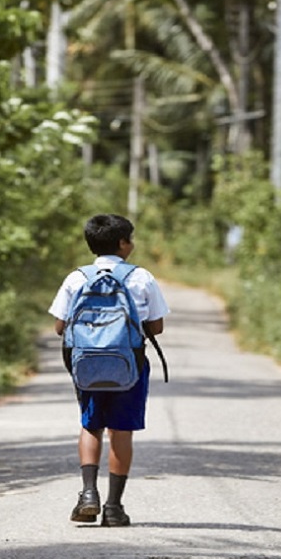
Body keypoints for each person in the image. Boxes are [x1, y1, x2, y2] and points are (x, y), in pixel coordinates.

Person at [48, 214, 169, 527]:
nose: (133, 244)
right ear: (122, 244)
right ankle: (114, 507)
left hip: (86, 363)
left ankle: (89, 494)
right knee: (121, 429)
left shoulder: (77, 278)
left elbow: (59, 327)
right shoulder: (141, 277)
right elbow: (156, 326)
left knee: (91, 425)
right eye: (130, 238)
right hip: (129, 363)